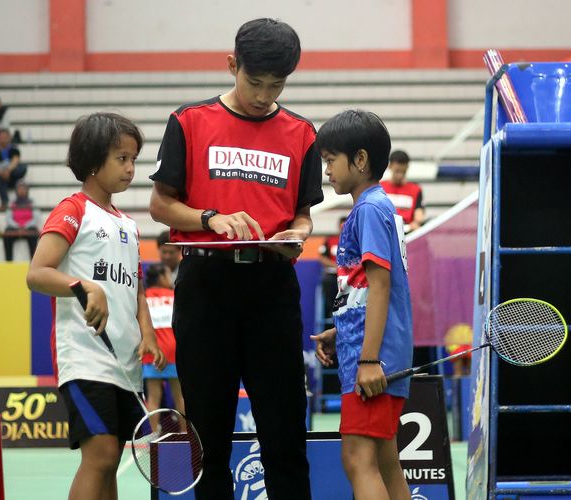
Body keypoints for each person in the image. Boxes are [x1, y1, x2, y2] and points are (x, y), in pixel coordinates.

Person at [148, 18, 322, 499]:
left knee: (285, 433)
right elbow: (161, 204)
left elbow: (304, 214)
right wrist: (210, 217)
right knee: (208, 435)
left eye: (277, 85)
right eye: (255, 82)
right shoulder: (189, 121)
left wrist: (297, 233)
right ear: (232, 65)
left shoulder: (302, 134)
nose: (265, 95)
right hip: (206, 286)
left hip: (272, 290)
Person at [26, 112, 166, 499]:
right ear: (92, 160)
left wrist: (148, 334)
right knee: (101, 455)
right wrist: (83, 285)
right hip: (86, 356)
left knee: (109, 462)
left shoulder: (129, 225)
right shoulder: (73, 210)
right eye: (121, 158)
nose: (130, 168)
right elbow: (37, 273)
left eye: (134, 159)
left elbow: (136, 289)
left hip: (126, 363)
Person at [310, 109, 413, 500]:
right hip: (374, 350)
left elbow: (382, 285)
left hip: (374, 361)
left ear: (360, 159)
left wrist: (369, 359)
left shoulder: (368, 210)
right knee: (384, 460)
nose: (327, 171)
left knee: (356, 457)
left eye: (330, 160)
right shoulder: (378, 207)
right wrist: (344, 329)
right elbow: (367, 292)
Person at [142, 262, 185, 432]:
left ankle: (153, 437)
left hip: (153, 352)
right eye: (168, 275)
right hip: (174, 351)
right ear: (160, 277)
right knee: (180, 397)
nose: (170, 279)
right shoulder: (173, 295)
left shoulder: (144, 297)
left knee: (153, 398)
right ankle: (185, 434)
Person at [380, 150, 426, 233]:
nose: (400, 175)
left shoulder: (416, 189)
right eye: (397, 171)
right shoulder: (380, 188)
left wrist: (416, 223)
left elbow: (419, 216)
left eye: (403, 172)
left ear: (407, 167)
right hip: (385, 230)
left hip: (407, 231)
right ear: (390, 166)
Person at [2, 182, 40, 261]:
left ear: (27, 190)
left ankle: (34, 262)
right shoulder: (12, 203)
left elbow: (36, 218)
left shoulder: (32, 202)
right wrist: (18, 226)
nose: (22, 191)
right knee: (7, 234)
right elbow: (8, 218)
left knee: (34, 234)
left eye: (24, 189)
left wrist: (25, 226)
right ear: (16, 191)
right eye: (19, 189)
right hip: (15, 227)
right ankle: (8, 262)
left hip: (29, 227)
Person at [0, 128, 27, 207]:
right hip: (1, 176)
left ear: (9, 138)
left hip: (12, 175)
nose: (3, 139)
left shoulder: (14, 149)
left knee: (23, 168)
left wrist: (8, 171)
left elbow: (15, 161)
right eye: (1, 137)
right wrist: (1, 173)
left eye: (5, 137)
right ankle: (4, 201)